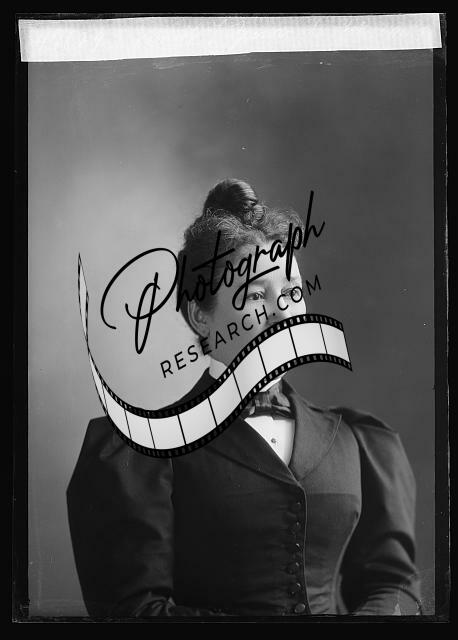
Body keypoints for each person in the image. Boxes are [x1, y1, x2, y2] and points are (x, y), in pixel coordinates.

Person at [67, 179, 422, 617]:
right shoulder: (139, 451)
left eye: (292, 291)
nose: (283, 313)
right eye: (255, 294)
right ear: (201, 317)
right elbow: (137, 611)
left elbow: (394, 584)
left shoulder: (359, 440)